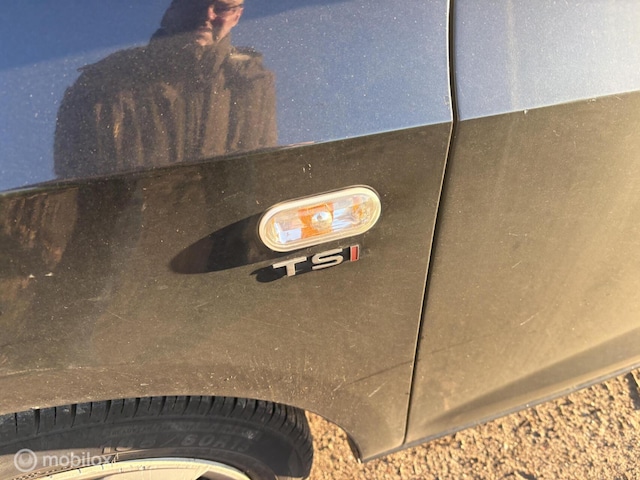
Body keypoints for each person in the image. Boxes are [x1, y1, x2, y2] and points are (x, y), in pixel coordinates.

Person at [54, 0, 277, 178]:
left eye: (221, 7)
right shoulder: (104, 81)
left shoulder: (251, 83)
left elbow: (262, 175)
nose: (207, 15)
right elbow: (72, 180)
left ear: (237, 16)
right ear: (171, 10)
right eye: (195, 2)